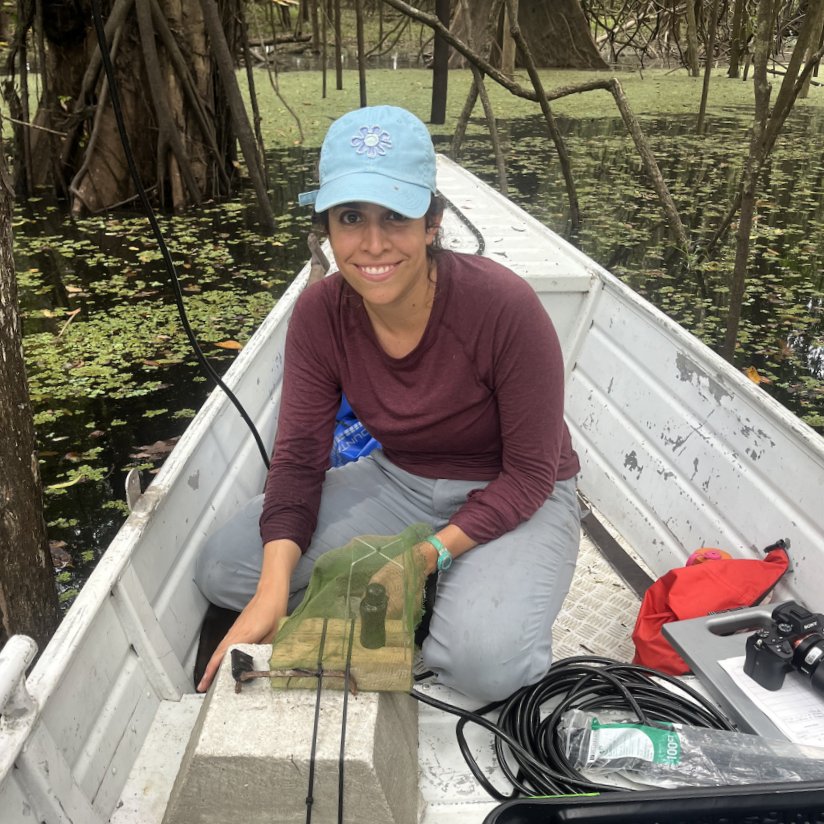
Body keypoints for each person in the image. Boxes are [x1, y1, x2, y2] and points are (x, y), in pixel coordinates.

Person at [195, 105, 581, 700]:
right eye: (351, 217)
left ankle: (458, 586)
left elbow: (531, 473)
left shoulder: (503, 306)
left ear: (432, 223)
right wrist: (271, 597)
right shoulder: (321, 313)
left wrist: (422, 559)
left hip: (515, 490)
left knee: (482, 668)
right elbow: (298, 460)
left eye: (396, 216)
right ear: (327, 228)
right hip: (400, 480)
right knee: (226, 571)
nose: (373, 244)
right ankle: (438, 585)